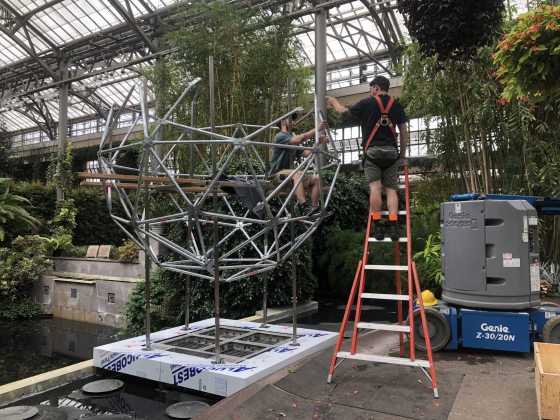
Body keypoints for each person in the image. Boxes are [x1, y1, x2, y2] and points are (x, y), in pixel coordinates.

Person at [327, 75, 408, 241]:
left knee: (375, 189)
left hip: (372, 153)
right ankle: (393, 227)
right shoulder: (396, 105)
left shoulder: (367, 102)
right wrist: (402, 154)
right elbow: (404, 131)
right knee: (391, 189)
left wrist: (334, 102)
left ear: (376, 88)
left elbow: (344, 113)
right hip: (391, 153)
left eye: (371, 88)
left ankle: (377, 226)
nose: (370, 92)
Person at [268, 116, 327, 216]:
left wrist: (317, 143)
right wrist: (317, 128)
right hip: (277, 176)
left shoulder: (291, 140)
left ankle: (314, 209)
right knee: (297, 173)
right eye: (291, 120)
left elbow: (306, 153)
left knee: (316, 179)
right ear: (283, 122)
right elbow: (299, 139)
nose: (294, 122)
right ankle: (303, 207)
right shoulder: (280, 136)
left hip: (289, 176)